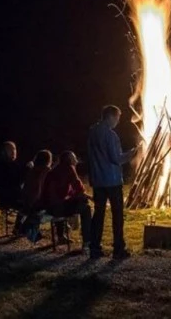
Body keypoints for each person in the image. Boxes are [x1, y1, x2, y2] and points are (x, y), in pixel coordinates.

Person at [87, 105, 138, 260]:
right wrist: (131, 154)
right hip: (112, 180)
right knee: (117, 215)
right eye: (117, 118)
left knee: (99, 213)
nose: (117, 122)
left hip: (97, 180)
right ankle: (118, 249)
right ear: (110, 116)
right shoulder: (111, 135)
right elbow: (116, 159)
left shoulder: (92, 132)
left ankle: (94, 248)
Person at [42, 151, 92, 250]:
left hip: (48, 207)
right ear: (69, 160)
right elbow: (79, 189)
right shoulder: (69, 168)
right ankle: (87, 241)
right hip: (57, 208)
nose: (76, 160)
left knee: (64, 202)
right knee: (86, 208)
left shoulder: (55, 170)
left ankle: (61, 237)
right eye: (74, 158)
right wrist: (89, 197)